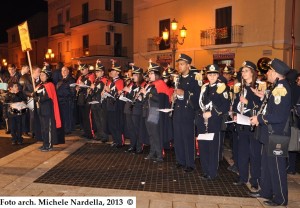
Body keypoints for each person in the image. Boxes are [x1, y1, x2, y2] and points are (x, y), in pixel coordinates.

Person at [249, 58, 291, 206]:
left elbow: (278, 116)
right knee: (266, 165)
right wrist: (263, 96)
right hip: (270, 134)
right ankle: (266, 191)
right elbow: (273, 107)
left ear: (275, 73)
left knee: (276, 167)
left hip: (277, 135)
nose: (267, 73)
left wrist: (259, 119)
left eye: (269, 71)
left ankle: (281, 199)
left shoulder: (281, 89)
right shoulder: (276, 87)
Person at [231, 61, 262, 191]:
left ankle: (254, 180)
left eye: (246, 71)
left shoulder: (259, 87)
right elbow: (235, 104)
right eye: (242, 71)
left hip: (253, 125)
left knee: (254, 154)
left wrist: (248, 102)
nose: (243, 73)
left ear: (252, 73)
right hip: (241, 124)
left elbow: (262, 106)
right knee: (242, 153)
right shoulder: (240, 87)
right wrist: (233, 113)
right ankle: (242, 177)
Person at [197, 64, 230, 179]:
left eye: (214, 74)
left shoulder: (222, 87)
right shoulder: (204, 87)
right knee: (203, 146)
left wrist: (212, 113)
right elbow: (200, 103)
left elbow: (225, 105)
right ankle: (205, 170)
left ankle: (212, 173)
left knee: (213, 148)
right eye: (210, 74)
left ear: (218, 75)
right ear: (207, 75)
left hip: (214, 121)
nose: (212, 76)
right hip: (203, 121)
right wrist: (202, 114)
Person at [173, 54, 201, 172]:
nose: (179, 66)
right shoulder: (179, 78)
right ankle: (180, 160)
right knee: (178, 137)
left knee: (188, 138)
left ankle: (190, 163)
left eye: (182, 64)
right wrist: (174, 95)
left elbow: (198, 96)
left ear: (188, 65)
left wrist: (183, 93)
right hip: (178, 110)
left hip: (188, 111)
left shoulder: (195, 78)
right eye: (179, 64)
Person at [141, 61, 169, 162]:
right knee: (151, 134)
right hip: (148, 111)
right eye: (149, 73)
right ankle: (152, 152)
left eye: (151, 73)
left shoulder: (160, 84)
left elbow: (160, 99)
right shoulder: (151, 85)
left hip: (154, 111)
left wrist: (146, 94)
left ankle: (159, 155)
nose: (149, 75)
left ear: (156, 74)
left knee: (155, 134)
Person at [34, 65, 62, 152]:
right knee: (43, 128)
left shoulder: (50, 85)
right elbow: (36, 95)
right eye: (41, 75)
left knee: (48, 128)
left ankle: (49, 145)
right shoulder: (40, 85)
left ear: (47, 76)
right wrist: (35, 94)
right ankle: (44, 144)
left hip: (48, 110)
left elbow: (47, 97)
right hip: (41, 110)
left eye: (43, 75)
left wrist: (38, 97)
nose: (41, 76)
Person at [104, 60, 124, 148]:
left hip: (116, 105)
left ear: (117, 72)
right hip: (110, 105)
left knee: (116, 124)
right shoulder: (110, 82)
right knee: (111, 124)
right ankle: (115, 140)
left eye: (112, 70)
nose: (111, 72)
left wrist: (109, 91)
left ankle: (119, 141)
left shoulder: (120, 81)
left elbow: (118, 94)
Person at [89, 60, 109, 142]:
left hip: (100, 103)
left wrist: (93, 89)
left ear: (102, 72)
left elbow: (98, 90)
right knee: (97, 119)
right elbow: (93, 92)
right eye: (96, 71)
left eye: (98, 71)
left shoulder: (104, 80)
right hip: (95, 102)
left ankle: (105, 136)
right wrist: (90, 90)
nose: (96, 73)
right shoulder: (96, 80)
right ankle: (100, 134)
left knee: (102, 120)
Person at [76, 63, 95, 139]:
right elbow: (77, 83)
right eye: (81, 69)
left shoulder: (91, 75)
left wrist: (84, 84)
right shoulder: (80, 77)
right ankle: (85, 131)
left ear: (87, 69)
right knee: (83, 117)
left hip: (88, 98)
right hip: (81, 98)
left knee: (88, 117)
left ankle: (90, 133)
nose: (81, 71)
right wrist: (77, 87)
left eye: (83, 69)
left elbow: (91, 84)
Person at [56, 66, 75, 135]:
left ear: (68, 71)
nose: (63, 72)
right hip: (60, 100)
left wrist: (66, 96)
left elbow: (72, 92)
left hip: (67, 100)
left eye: (65, 70)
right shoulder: (60, 80)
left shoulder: (71, 80)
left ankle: (67, 129)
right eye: (62, 71)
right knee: (62, 116)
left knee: (67, 116)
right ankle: (64, 128)